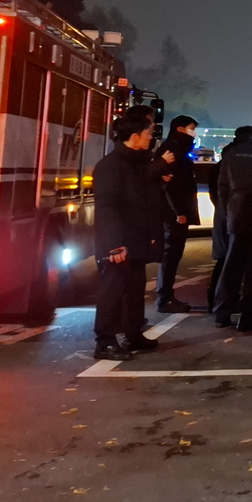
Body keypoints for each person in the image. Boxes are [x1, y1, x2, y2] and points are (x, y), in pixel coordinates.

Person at [92, 111, 167, 360]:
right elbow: (107, 207)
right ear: (135, 137)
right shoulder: (111, 166)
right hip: (118, 243)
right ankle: (105, 341)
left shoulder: (137, 163)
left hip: (136, 240)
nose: (151, 138)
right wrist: (115, 244)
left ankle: (133, 333)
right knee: (112, 292)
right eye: (148, 133)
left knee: (134, 290)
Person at [213, 107, 252, 332]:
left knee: (232, 264)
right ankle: (248, 316)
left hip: (237, 212)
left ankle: (222, 311)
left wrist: (227, 210)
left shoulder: (234, 152)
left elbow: (221, 186)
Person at [154, 114, 199, 313]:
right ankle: (164, 298)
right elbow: (169, 186)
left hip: (177, 211)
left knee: (173, 255)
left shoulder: (178, 148)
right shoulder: (171, 150)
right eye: (191, 128)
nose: (193, 133)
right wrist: (179, 212)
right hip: (173, 214)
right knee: (170, 255)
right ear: (180, 129)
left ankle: (167, 296)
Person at [207, 125, 251, 312]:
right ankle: (223, 303)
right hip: (235, 217)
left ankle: (217, 303)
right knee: (232, 262)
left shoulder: (227, 158)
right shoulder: (240, 159)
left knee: (224, 261)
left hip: (225, 215)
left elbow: (216, 192)